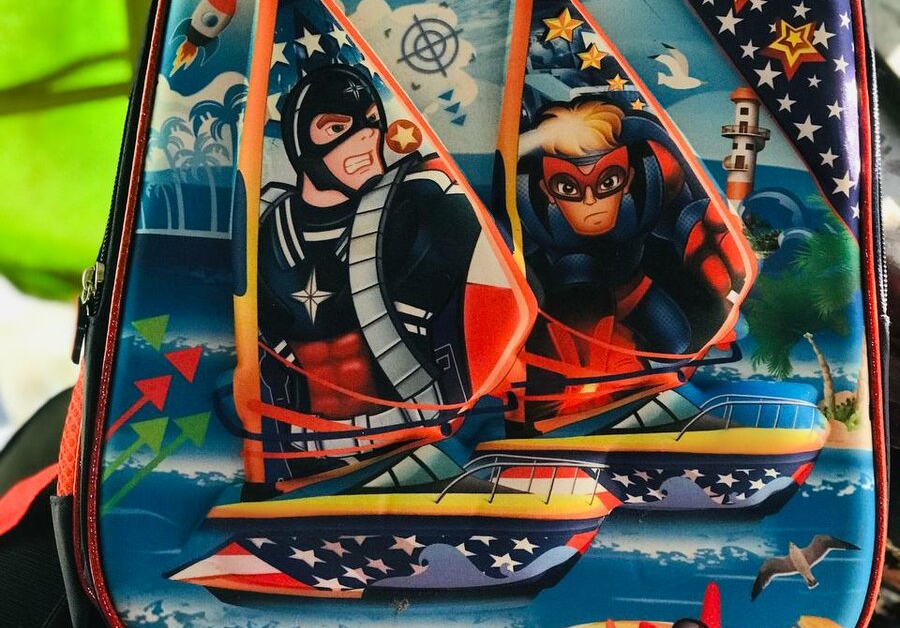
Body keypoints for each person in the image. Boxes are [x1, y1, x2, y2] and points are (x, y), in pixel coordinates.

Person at [255, 63, 481, 484]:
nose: (366, 137)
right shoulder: (264, 231)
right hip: (306, 446)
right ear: (300, 140)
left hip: (408, 436)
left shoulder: (415, 207)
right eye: (336, 127)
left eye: (372, 122)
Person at [517, 95, 745, 421]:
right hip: (571, 298)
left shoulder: (650, 177)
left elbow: (682, 215)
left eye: (607, 181)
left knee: (677, 343)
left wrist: (700, 235)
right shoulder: (527, 197)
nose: (591, 200)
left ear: (627, 177)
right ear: (545, 187)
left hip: (634, 287)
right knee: (586, 361)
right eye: (569, 187)